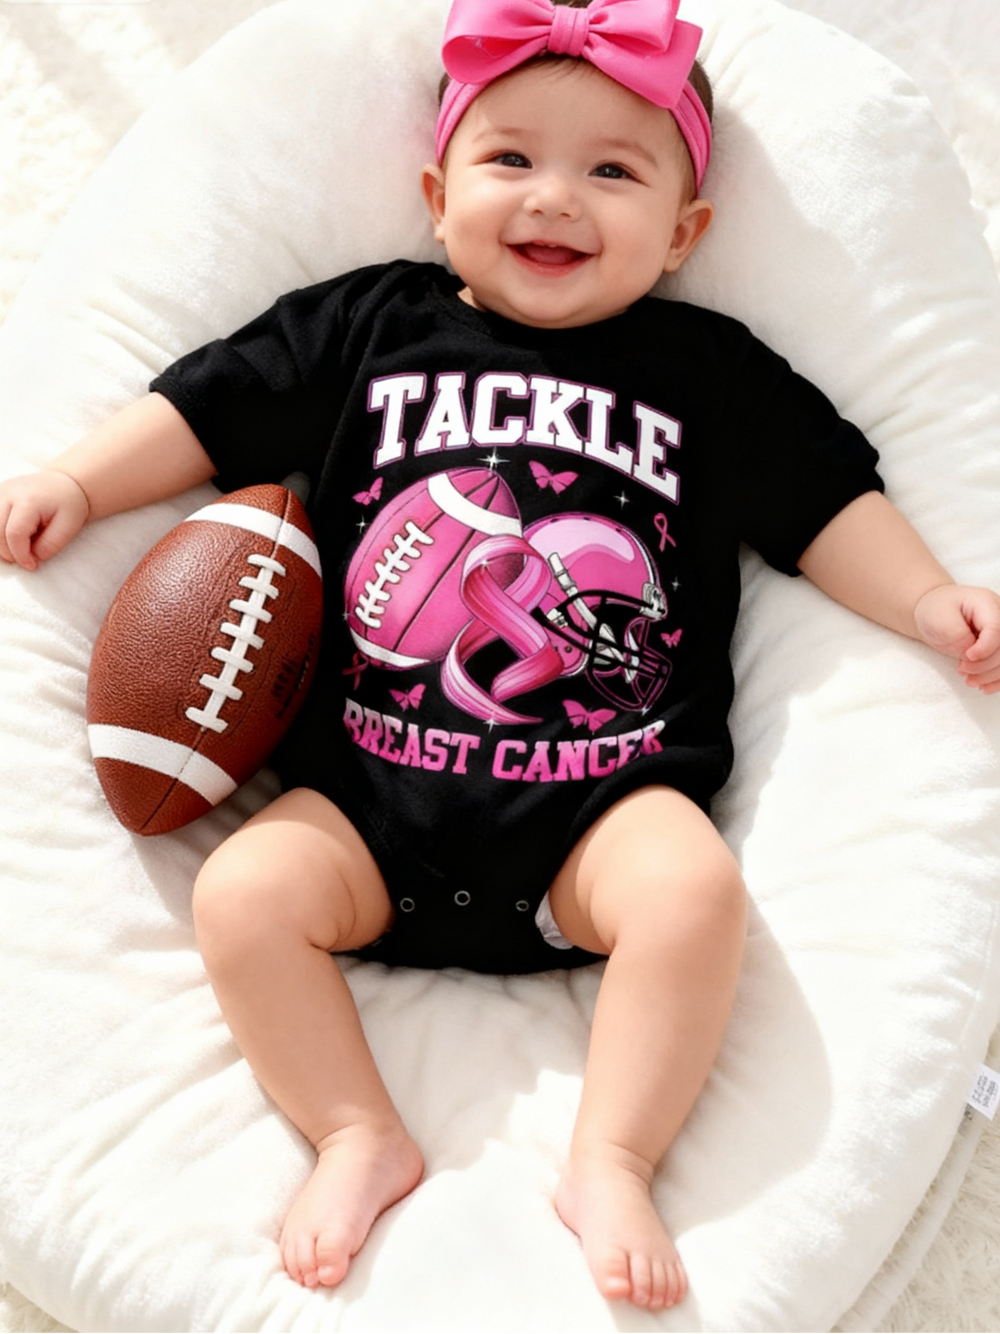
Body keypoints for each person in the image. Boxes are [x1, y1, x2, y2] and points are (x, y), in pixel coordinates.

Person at [2, 0, 999, 1312]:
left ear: (685, 233)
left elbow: (823, 503)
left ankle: (613, 1156)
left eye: (614, 172)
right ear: (437, 196)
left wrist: (927, 596)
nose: (555, 197)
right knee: (243, 894)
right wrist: (80, 479)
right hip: (366, 805)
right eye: (510, 158)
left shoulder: (703, 372)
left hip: (602, 807)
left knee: (693, 895)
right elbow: (209, 404)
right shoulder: (370, 327)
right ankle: (355, 1130)